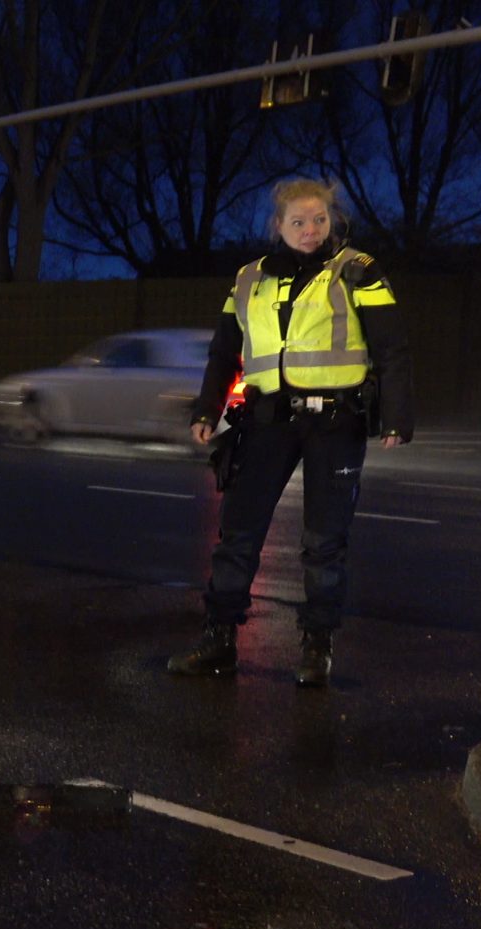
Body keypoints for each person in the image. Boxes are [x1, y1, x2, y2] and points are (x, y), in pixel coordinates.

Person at [167, 177, 412, 688]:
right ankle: (219, 640)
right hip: (267, 421)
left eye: (319, 219)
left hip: (335, 422)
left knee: (325, 541)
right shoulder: (248, 278)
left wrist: (395, 416)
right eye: (298, 221)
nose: (309, 229)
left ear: (333, 221)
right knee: (238, 533)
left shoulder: (356, 271)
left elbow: (391, 347)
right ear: (278, 225)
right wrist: (206, 410)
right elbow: (223, 352)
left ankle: (317, 647)